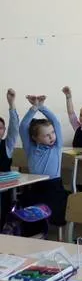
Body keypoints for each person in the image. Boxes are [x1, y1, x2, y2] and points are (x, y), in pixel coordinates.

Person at [19, 94, 68, 226]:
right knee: (31, 217)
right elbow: (23, 126)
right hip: (36, 186)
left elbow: (56, 122)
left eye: (52, 133)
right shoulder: (31, 148)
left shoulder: (57, 146)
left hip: (54, 187)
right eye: (46, 135)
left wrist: (42, 107)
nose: (52, 137)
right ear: (35, 138)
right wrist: (33, 108)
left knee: (56, 216)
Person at [0, 89, 19, 228]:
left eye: (0, 128)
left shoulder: (6, 145)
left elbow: (14, 128)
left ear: (4, 130)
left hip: (3, 190)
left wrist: (11, 104)